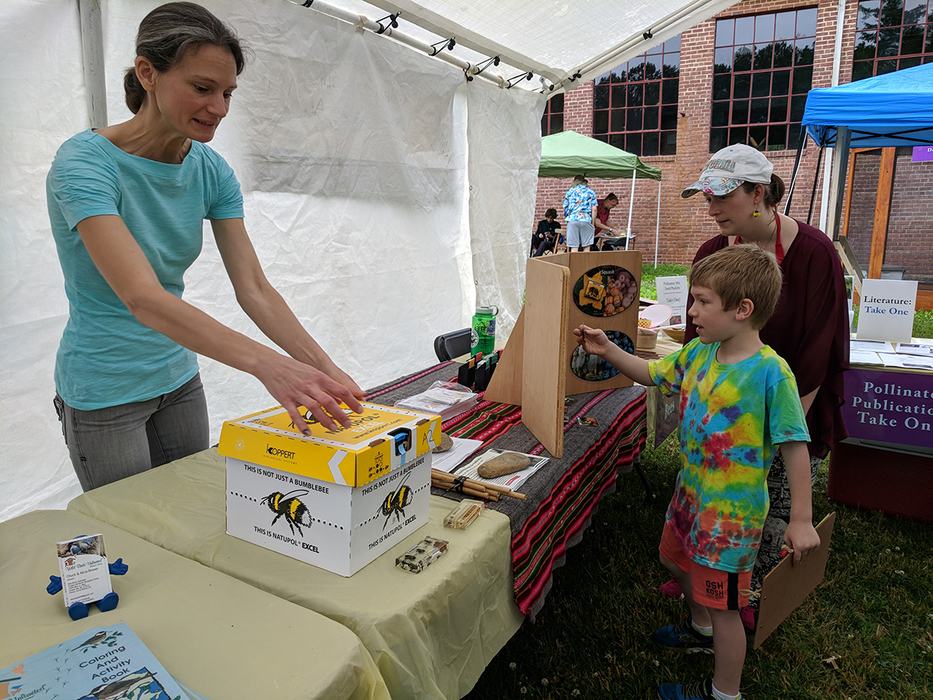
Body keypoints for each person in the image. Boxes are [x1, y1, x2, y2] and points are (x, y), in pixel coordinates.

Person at [46, 2, 365, 492]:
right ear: (148, 73)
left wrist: (326, 371)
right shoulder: (85, 164)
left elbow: (255, 288)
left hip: (177, 378)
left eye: (227, 93)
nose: (219, 108)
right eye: (202, 88)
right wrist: (270, 366)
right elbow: (144, 298)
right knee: (133, 529)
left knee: (190, 510)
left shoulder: (210, 169)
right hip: (104, 389)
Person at [574, 245, 820, 700]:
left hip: (731, 517)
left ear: (742, 309)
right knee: (673, 560)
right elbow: (650, 374)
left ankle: (723, 692)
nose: (692, 311)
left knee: (725, 606)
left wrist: (801, 519)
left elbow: (795, 447)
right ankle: (700, 628)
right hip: (690, 496)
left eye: (703, 301)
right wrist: (608, 348)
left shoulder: (771, 374)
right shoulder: (697, 354)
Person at [678, 144, 850, 612]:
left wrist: (776, 440)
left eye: (721, 197)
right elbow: (700, 341)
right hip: (725, 429)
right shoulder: (713, 253)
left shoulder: (814, 253)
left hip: (791, 410)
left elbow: (818, 355)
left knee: (772, 519)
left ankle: (754, 606)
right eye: (706, 199)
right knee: (717, 512)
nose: (711, 210)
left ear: (758, 193)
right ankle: (710, 579)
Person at [562, 175, 597, 251]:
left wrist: (568, 217)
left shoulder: (569, 192)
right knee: (587, 246)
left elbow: (565, 207)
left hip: (573, 219)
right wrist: (593, 223)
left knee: (574, 247)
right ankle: (586, 263)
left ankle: (574, 263)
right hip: (586, 219)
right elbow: (594, 209)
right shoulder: (591, 192)